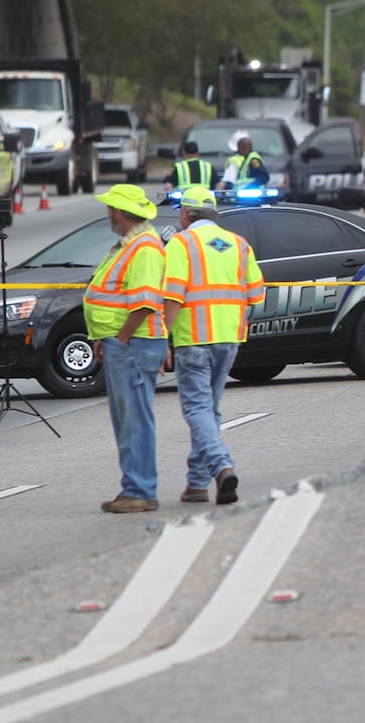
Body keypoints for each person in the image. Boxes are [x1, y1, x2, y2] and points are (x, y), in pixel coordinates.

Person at [162, 185, 265, 505]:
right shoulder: (239, 244)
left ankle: (222, 467)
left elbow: (174, 294)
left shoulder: (181, 242)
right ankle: (196, 484)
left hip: (193, 338)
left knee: (196, 409)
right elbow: (256, 294)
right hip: (229, 338)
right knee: (208, 411)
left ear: (185, 215)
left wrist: (164, 338)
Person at [85, 184, 167, 514]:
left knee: (133, 420)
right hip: (126, 343)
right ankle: (134, 487)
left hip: (133, 344)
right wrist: (103, 336)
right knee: (128, 419)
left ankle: (140, 490)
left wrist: (119, 339)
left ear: (120, 212)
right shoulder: (129, 245)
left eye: (110, 208)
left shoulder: (144, 248)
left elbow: (145, 303)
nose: (107, 213)